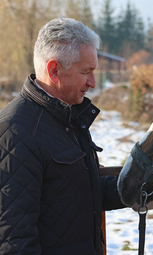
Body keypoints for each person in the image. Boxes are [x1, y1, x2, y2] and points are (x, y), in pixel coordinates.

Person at [0, 18, 125, 255]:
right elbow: (14, 242)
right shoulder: (14, 132)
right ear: (54, 70)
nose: (93, 82)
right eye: (86, 72)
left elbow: (84, 191)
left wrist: (148, 184)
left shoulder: (67, 118)